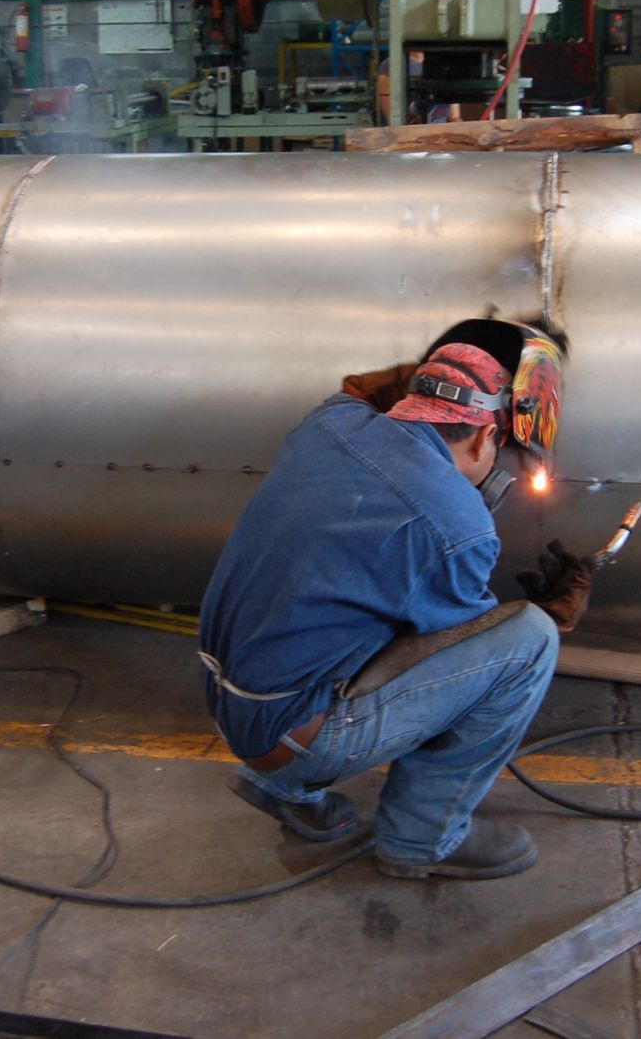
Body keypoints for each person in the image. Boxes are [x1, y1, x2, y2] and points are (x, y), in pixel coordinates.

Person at [197, 320, 592, 881]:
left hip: (226, 693)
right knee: (530, 642)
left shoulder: (330, 424)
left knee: (351, 601)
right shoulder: (458, 525)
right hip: (293, 733)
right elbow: (448, 656)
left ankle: (283, 788)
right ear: (485, 438)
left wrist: (458, 367)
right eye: (499, 448)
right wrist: (552, 616)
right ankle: (421, 838)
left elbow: (362, 390)